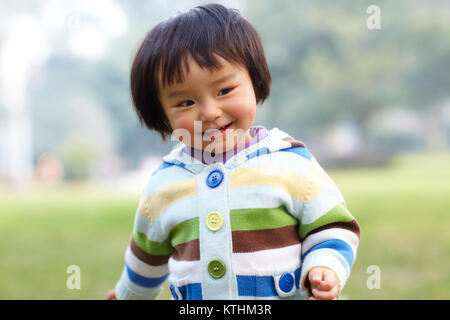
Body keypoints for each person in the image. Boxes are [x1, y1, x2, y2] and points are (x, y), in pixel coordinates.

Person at [106, 3, 360, 300]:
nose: (210, 112)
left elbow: (333, 228)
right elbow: (145, 260)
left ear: (254, 80)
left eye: (225, 90)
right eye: (186, 102)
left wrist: (325, 267)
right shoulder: (163, 186)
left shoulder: (291, 162)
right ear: (161, 113)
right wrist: (127, 295)